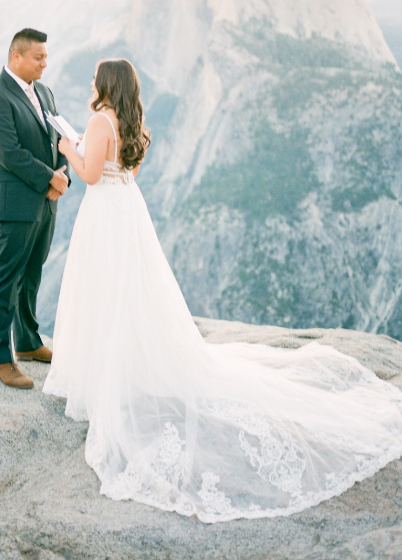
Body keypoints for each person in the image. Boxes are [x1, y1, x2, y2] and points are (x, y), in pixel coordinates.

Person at [44, 58, 402, 522]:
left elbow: (90, 174)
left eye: (96, 76)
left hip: (105, 213)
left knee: (106, 295)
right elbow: (115, 167)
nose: (91, 82)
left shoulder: (98, 119)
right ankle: (123, 372)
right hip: (126, 208)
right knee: (126, 296)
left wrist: (65, 145)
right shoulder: (125, 121)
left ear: (107, 84)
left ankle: (105, 379)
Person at [0, 28, 70, 389]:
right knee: (3, 279)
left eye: (46, 57)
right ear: (16, 56)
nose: (45, 63)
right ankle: (2, 359)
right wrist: (49, 178)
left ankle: (29, 343)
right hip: (14, 205)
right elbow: (9, 153)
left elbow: (58, 138)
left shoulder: (44, 92)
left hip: (46, 201)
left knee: (32, 273)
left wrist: (61, 177)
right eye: (38, 58)